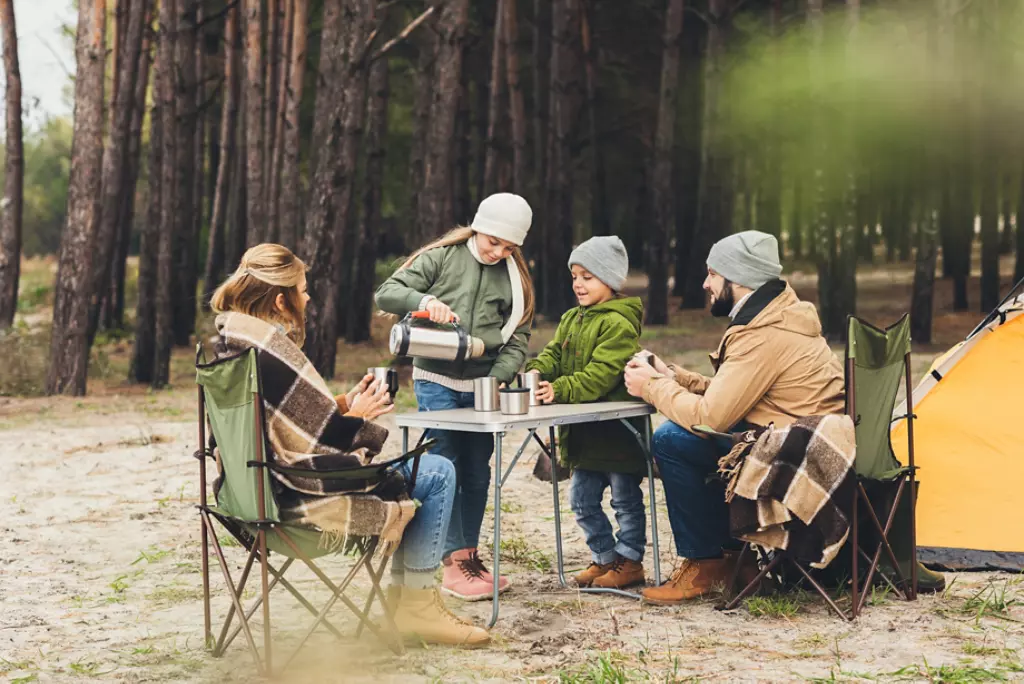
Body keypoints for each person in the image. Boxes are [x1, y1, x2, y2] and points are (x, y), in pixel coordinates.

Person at [210, 243, 489, 647]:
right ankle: (416, 606)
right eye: (302, 290)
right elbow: (318, 441)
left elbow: (275, 423)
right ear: (280, 299)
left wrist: (340, 404)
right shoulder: (271, 351)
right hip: (295, 499)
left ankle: (410, 604)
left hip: (246, 496)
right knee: (438, 473)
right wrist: (357, 418)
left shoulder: (229, 344)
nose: (307, 298)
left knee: (424, 474)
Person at [623, 230, 847, 605]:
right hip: (804, 437)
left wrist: (650, 388)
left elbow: (711, 418)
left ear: (737, 278)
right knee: (694, 439)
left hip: (795, 458)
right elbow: (741, 392)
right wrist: (674, 377)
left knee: (674, 440)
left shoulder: (762, 334)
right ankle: (735, 564)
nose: (705, 283)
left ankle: (708, 563)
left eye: (712, 274)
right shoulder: (779, 315)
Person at [375, 193, 535, 601]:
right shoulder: (441, 258)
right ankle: (449, 563)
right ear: (478, 226)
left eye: (509, 247)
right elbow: (387, 294)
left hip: (483, 388)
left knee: (477, 471)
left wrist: (497, 377)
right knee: (444, 468)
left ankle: (468, 555)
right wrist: (424, 301)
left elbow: (518, 338)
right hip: (436, 382)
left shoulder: (515, 278)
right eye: (493, 242)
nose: (499, 252)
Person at [525, 236, 649, 589]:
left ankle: (630, 561)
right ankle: (604, 557)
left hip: (617, 430)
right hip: (584, 432)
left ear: (610, 280)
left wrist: (559, 390)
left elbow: (599, 376)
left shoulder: (619, 324)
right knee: (581, 499)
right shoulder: (570, 319)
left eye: (588, 276)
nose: (578, 283)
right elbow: (553, 354)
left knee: (625, 499)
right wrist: (538, 371)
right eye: (575, 276)